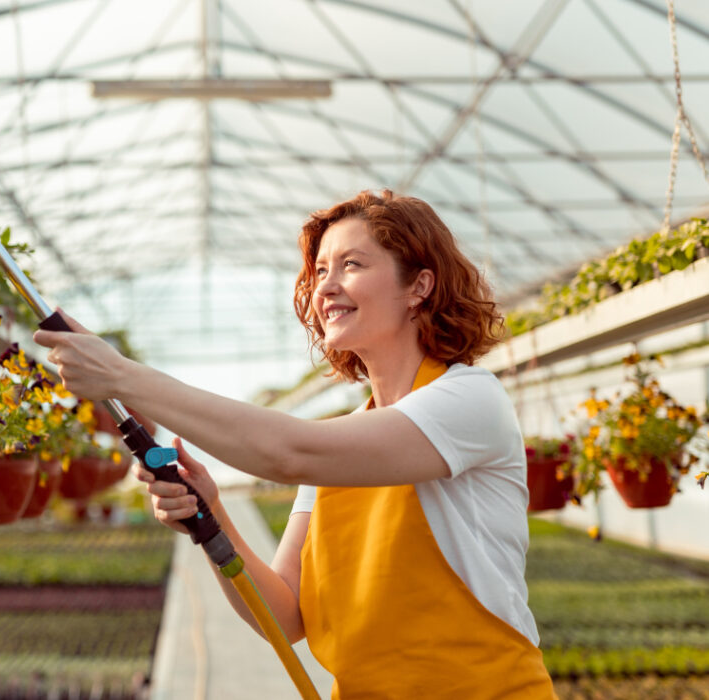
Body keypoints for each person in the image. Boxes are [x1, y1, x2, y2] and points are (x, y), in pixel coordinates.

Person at [33, 189, 556, 698]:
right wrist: (212, 511)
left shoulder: (469, 399)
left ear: (418, 286)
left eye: (351, 264)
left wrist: (121, 376)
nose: (326, 286)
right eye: (321, 270)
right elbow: (284, 615)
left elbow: (288, 451)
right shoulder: (343, 441)